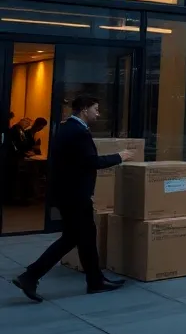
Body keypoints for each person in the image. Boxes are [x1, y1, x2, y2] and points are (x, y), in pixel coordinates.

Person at [10, 95, 136, 302]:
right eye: (96, 109)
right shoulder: (77, 132)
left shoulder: (67, 128)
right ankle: (30, 276)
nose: (98, 113)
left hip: (69, 194)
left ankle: (95, 281)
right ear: (84, 109)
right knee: (75, 237)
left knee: (83, 237)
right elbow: (90, 161)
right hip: (75, 195)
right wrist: (119, 157)